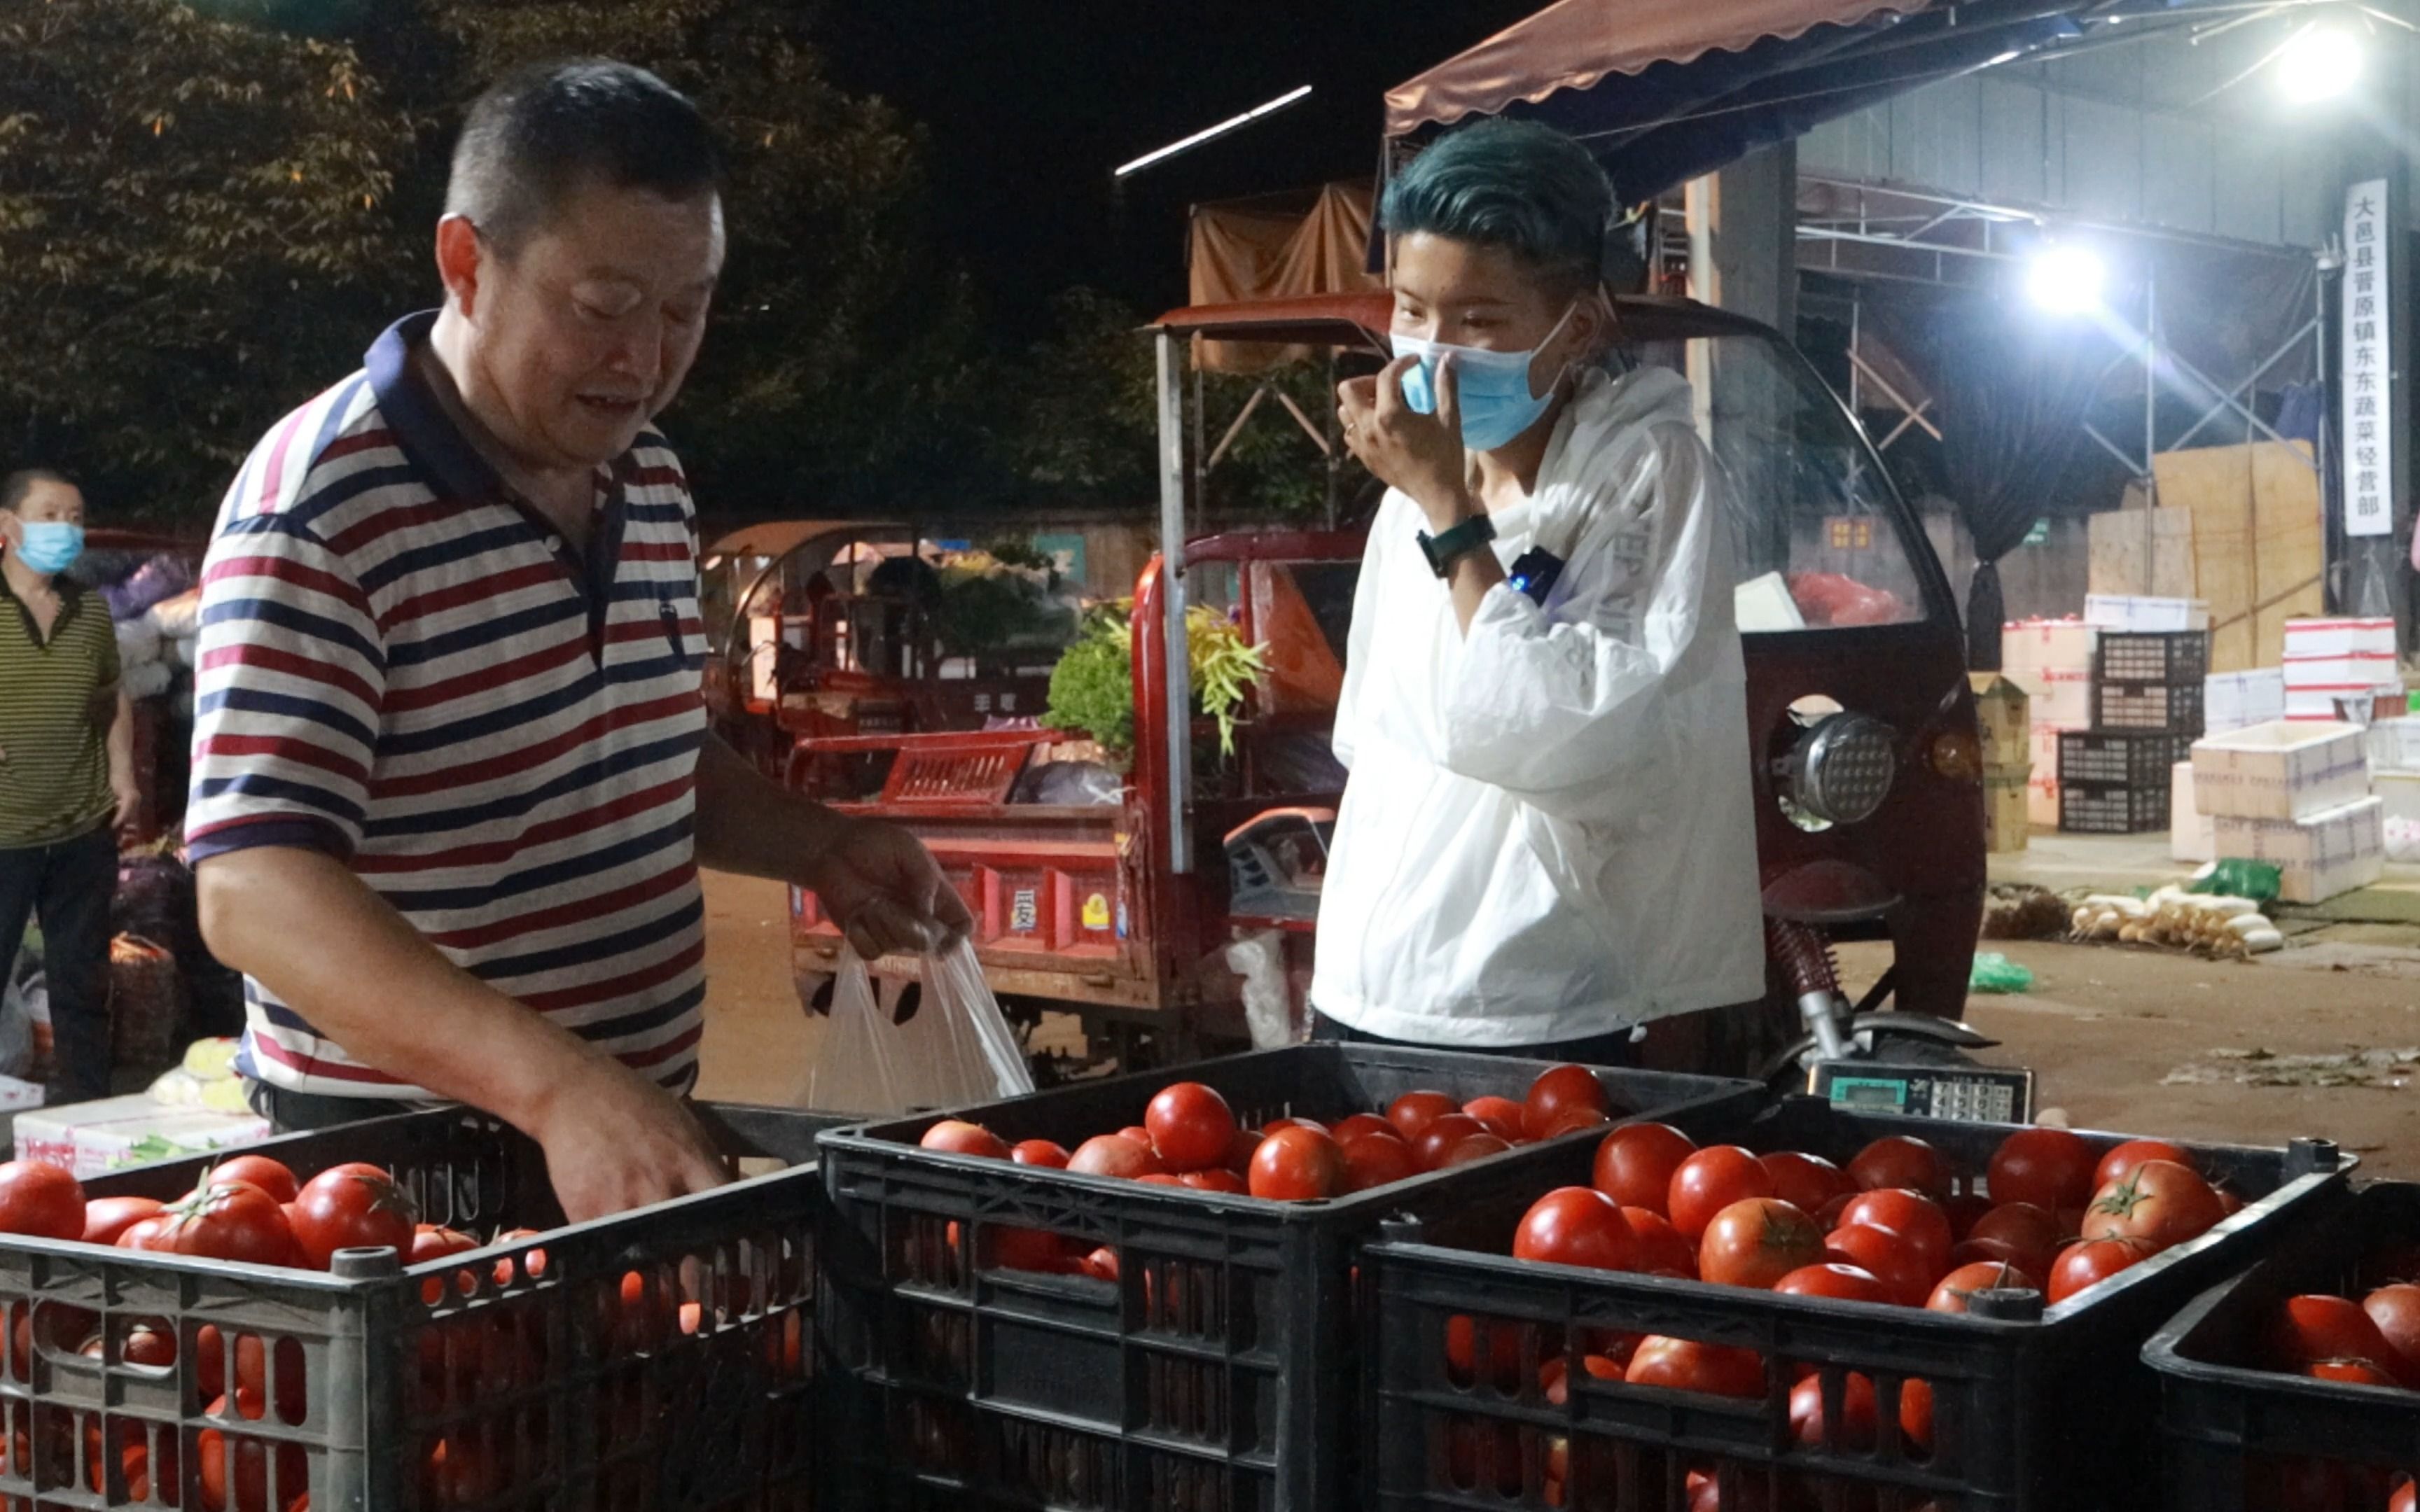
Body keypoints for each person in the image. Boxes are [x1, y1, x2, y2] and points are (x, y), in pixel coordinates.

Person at [186, 60, 971, 1222]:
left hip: (625, 1119)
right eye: (603, 308)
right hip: (395, 1172)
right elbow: (254, 887)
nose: (645, 361)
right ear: (466, 263)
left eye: (685, 308)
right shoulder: (322, 508)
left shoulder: (646, 476)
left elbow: (641, 756)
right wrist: (554, 1088)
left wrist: (816, 844)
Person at [1311, 119, 1762, 1062]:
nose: (1432, 353)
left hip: (1545, 1001)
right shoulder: (1410, 501)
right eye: (1410, 310)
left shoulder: (1645, 469)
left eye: (1478, 321)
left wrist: (1450, 513)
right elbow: (1375, 734)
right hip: (1374, 980)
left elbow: (1571, 730)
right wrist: (1433, 500)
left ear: (1581, 325)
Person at [0, 468, 139, 1104]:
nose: (68, 529)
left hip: (83, 830)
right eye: (51, 514)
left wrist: (124, 775)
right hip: (5, 835)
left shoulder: (89, 611)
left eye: (77, 517)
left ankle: (85, 1120)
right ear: (8, 526)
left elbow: (111, 698)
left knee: (82, 985)